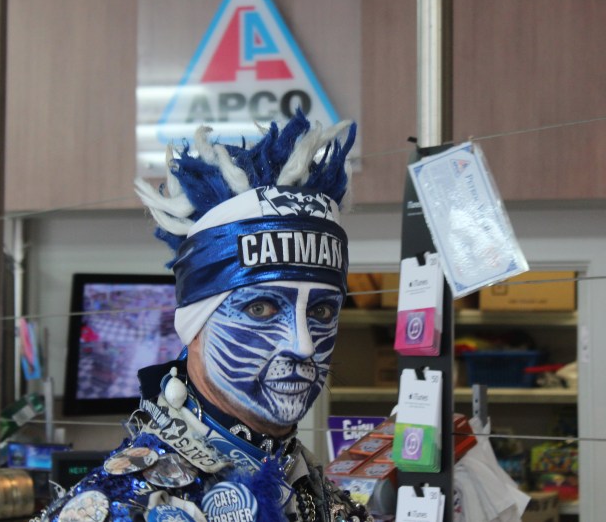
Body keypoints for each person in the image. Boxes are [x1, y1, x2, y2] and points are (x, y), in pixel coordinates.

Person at [36, 111, 370, 522]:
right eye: (260, 308)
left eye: (321, 310)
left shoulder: (320, 498)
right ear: (195, 326)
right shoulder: (117, 507)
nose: (302, 345)